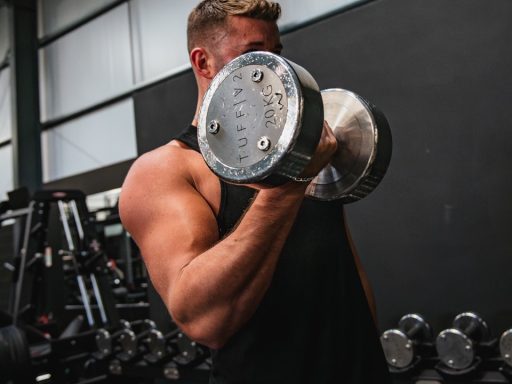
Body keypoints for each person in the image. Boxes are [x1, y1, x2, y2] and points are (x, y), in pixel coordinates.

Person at [119, 1, 391, 382]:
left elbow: (348, 269)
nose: (272, 69)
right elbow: (203, 320)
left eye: (275, 54)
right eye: (253, 54)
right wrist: (292, 180)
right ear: (203, 63)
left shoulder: (305, 147)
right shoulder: (165, 172)